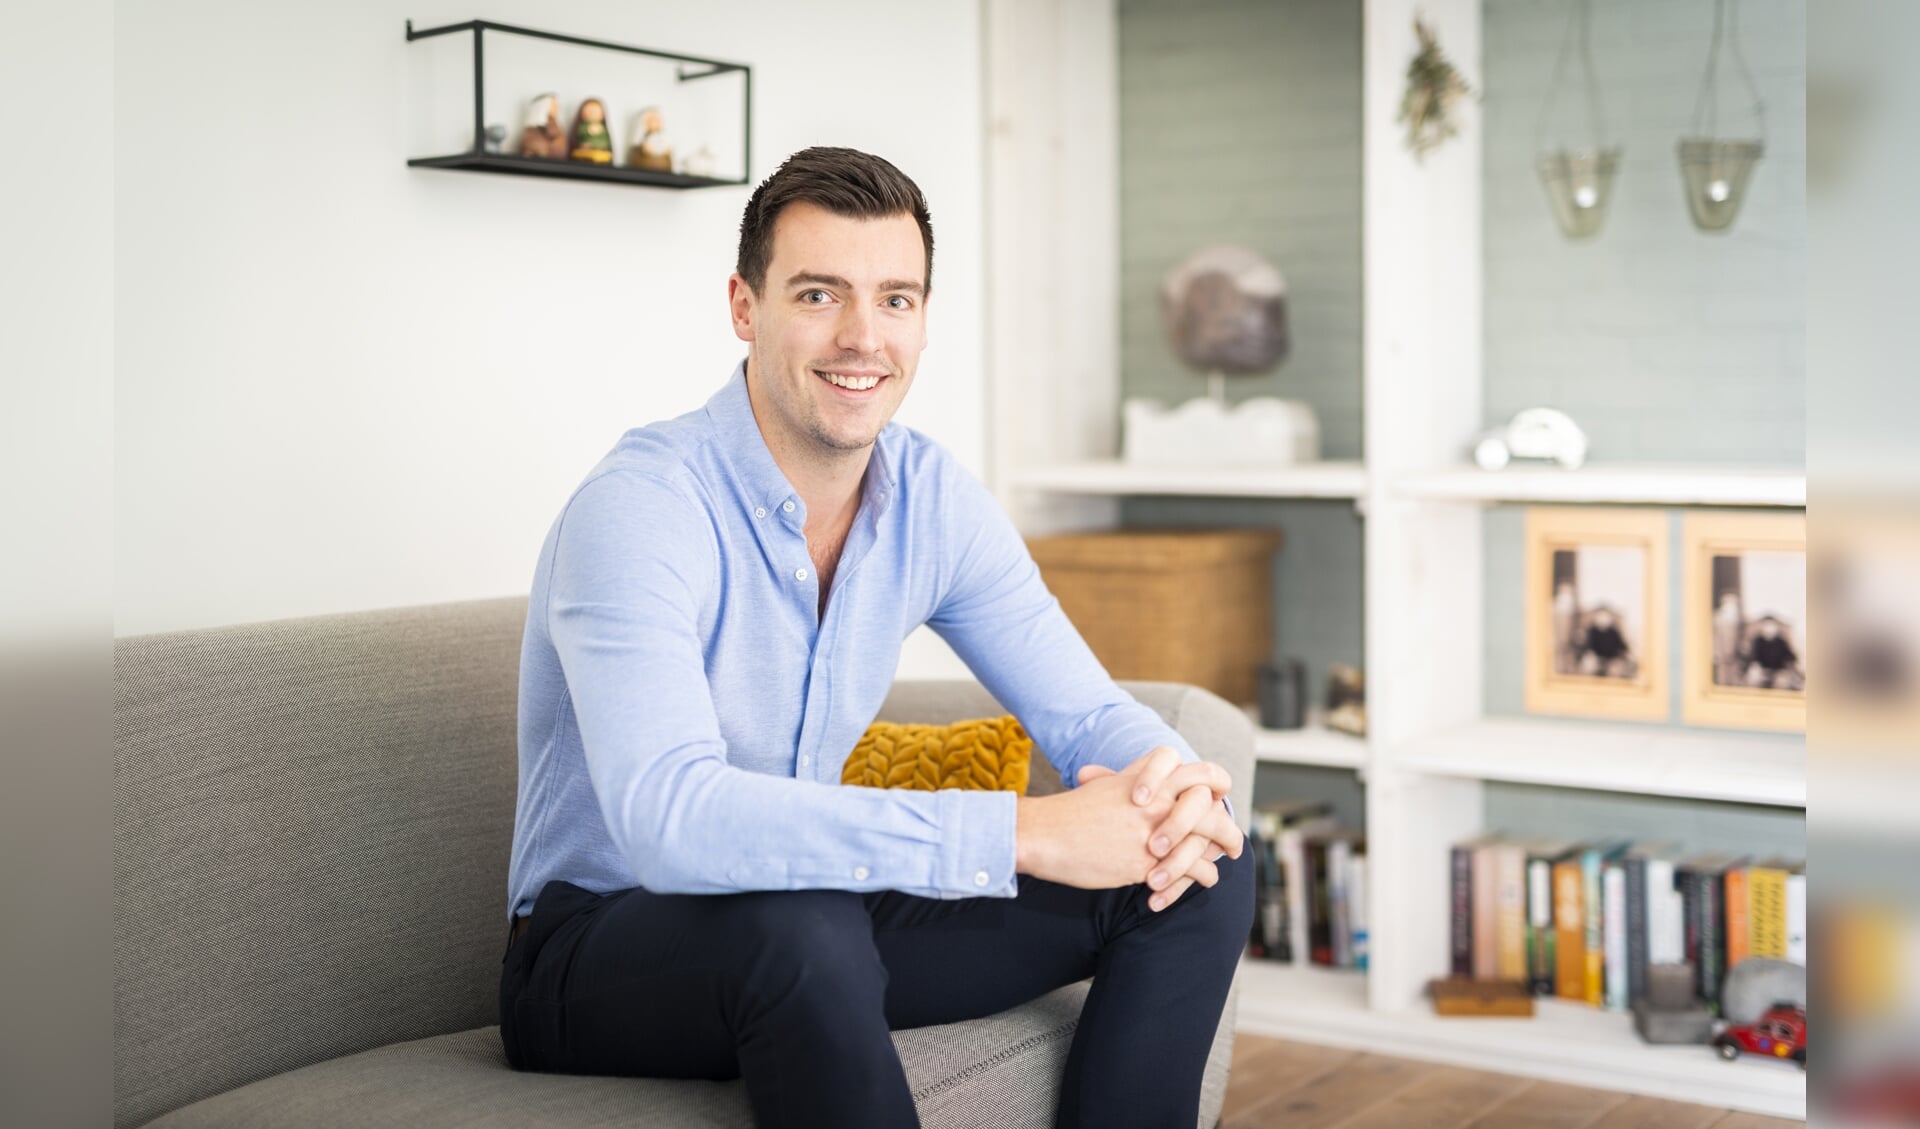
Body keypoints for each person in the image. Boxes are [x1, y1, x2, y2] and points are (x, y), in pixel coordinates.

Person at [498, 146, 1252, 1128]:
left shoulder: (930, 501)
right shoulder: (641, 507)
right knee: (799, 920)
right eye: (819, 293)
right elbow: (670, 819)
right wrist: (1022, 830)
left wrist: (1176, 785)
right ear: (744, 306)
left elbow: (1085, 710)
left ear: (924, 320)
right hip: (594, 950)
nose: (863, 336)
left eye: (897, 299)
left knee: (1196, 869)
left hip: (811, 915)